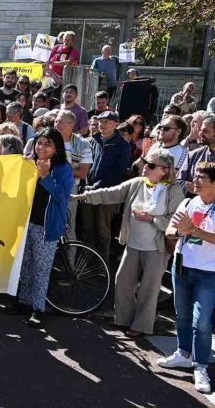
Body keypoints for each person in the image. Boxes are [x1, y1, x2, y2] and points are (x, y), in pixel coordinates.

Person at [74, 150, 183, 337]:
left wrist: (151, 219)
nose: (144, 168)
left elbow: (176, 221)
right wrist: (82, 197)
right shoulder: (137, 184)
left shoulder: (174, 190)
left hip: (155, 248)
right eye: (144, 163)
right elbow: (111, 193)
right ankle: (123, 319)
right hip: (133, 243)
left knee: (149, 288)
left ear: (164, 170)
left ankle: (141, 326)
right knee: (123, 282)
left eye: (150, 165)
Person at [158, 161, 215, 394]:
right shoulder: (188, 201)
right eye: (196, 175)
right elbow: (170, 230)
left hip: (208, 272)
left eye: (203, 176)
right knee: (181, 315)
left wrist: (194, 230)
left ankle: (200, 365)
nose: (196, 179)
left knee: (201, 321)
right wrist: (179, 231)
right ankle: (183, 353)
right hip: (181, 267)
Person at [7, 128, 72, 327]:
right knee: (25, 266)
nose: (41, 147)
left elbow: (63, 197)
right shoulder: (28, 163)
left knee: (41, 270)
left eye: (47, 144)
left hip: (47, 227)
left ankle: (38, 309)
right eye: (39, 142)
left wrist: (45, 176)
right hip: (27, 224)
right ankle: (24, 302)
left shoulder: (62, 168)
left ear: (56, 148)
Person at [81, 111, 132, 263]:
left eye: (107, 122)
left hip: (108, 194)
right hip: (88, 191)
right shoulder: (93, 140)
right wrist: (86, 184)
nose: (102, 124)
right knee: (87, 227)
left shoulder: (123, 146)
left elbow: (118, 172)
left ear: (116, 124)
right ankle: (85, 262)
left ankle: (102, 265)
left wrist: (96, 186)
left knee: (103, 230)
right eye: (101, 121)